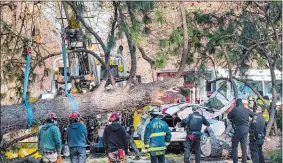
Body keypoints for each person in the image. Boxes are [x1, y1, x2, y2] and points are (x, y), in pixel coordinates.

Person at [228, 99, 255, 163]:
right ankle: (244, 161)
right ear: (242, 103)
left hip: (238, 129)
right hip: (246, 129)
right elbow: (254, 115)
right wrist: (252, 122)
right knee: (244, 146)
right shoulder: (246, 109)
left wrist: (233, 118)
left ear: (236, 104)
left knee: (234, 146)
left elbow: (228, 116)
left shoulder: (235, 109)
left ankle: (235, 161)